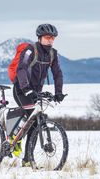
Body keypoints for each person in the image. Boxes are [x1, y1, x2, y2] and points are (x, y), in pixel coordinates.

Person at [12, 23, 65, 166]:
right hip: (21, 89)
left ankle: (27, 160)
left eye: (53, 38)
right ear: (40, 37)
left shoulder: (53, 54)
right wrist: (26, 89)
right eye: (48, 37)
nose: (51, 40)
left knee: (36, 122)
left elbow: (57, 74)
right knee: (30, 115)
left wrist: (58, 92)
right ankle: (14, 138)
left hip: (36, 91)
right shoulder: (30, 50)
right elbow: (21, 69)